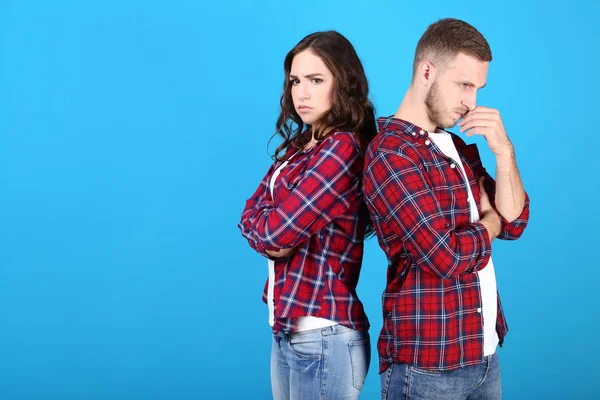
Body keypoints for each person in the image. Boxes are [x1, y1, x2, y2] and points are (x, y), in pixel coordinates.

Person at [362, 18, 530, 400]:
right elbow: (446, 255)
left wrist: (504, 153)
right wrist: (489, 222)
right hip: (426, 366)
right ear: (426, 71)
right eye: (464, 84)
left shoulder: (456, 146)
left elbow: (515, 219)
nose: (471, 102)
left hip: (484, 356)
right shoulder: (391, 153)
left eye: (478, 88)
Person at [238, 30, 376, 400]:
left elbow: (274, 235)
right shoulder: (302, 146)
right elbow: (251, 213)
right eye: (296, 80)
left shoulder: (342, 148)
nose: (301, 92)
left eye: (316, 80)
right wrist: (271, 233)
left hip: (324, 334)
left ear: (343, 83)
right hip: (289, 329)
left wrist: (272, 233)